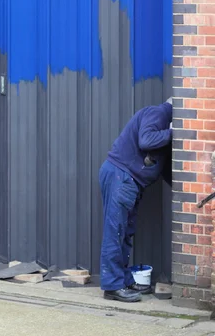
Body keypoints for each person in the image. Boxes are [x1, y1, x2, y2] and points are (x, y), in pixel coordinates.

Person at [99, 98, 172, 303]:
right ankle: (112, 286)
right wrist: (176, 130)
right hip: (120, 176)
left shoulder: (164, 128)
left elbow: (164, 169)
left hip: (129, 181)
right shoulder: (159, 114)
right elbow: (146, 140)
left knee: (126, 232)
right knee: (116, 231)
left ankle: (123, 279)